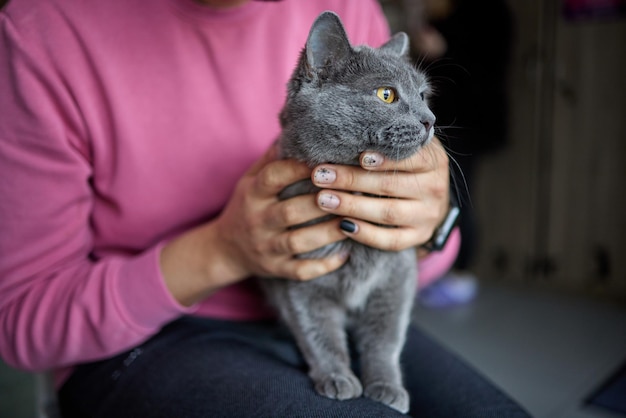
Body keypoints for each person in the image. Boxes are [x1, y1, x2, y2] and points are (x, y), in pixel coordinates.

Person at [0, 0, 529, 416]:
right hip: (149, 335)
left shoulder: (347, 6)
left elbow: (421, 264)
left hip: (350, 314)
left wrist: (427, 224)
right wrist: (222, 250)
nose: (426, 118)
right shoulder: (44, 29)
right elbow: (20, 324)